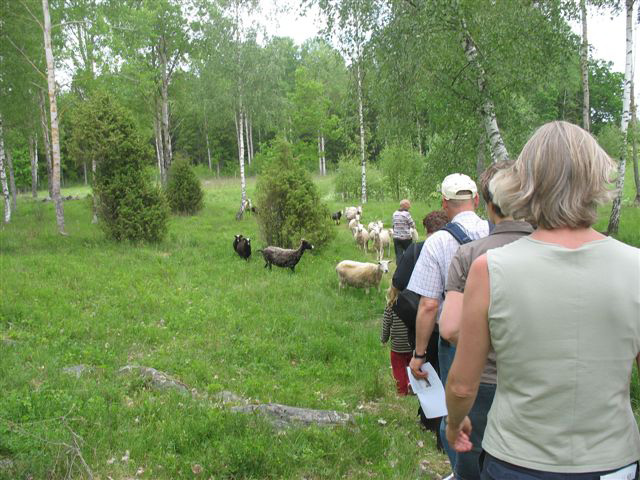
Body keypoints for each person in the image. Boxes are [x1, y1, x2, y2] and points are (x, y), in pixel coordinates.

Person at [445, 121, 640, 478]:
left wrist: (454, 424)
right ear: (597, 179)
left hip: (517, 460)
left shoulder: (490, 270)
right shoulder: (636, 267)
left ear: (525, 184)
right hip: (612, 460)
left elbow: (461, 384)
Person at [439, 162, 533, 480]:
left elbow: (450, 328)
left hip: (485, 383)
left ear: (489, 204)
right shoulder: (555, 251)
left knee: (473, 464)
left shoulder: (470, 255)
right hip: (537, 383)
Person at [407, 174, 490, 472]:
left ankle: (463, 473)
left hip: (454, 341)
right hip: (497, 338)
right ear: (477, 200)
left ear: (444, 203)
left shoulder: (438, 242)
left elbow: (429, 305)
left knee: (454, 415)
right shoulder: (496, 231)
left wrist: (418, 355)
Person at [381, 286, 413, 395]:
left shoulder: (390, 306)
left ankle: (402, 391)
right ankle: (412, 385)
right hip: (411, 344)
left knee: (398, 368)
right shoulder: (413, 306)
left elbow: (386, 325)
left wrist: (384, 339)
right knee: (411, 365)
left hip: (397, 347)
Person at [392, 199, 416, 264]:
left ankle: (399, 268)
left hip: (396, 237)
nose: (410, 206)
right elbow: (412, 224)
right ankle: (408, 266)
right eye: (409, 205)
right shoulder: (406, 214)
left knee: (399, 254)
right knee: (409, 253)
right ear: (405, 206)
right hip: (406, 238)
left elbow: (393, 225)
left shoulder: (394, 213)